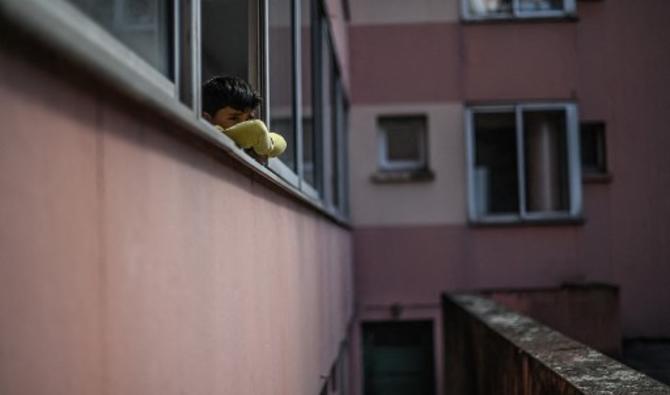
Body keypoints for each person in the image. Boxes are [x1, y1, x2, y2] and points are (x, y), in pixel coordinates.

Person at [202, 75, 286, 158]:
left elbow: (280, 143)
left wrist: (266, 141)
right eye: (234, 118)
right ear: (207, 119)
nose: (244, 124)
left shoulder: (251, 141)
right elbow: (256, 129)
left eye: (248, 119)